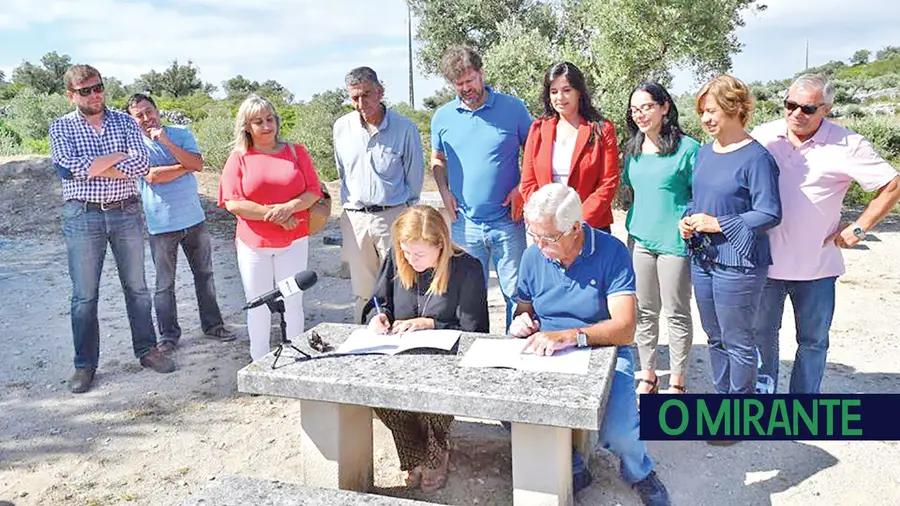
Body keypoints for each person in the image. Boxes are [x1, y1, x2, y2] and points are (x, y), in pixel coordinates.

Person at [510, 183, 669, 505]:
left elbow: (624, 329)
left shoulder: (610, 251)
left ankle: (640, 471)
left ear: (575, 228)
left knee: (619, 432)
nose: (540, 246)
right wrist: (521, 320)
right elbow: (524, 306)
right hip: (545, 349)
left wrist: (571, 337)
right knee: (506, 408)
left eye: (549, 238)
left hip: (603, 349)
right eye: (534, 235)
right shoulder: (533, 255)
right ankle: (571, 461)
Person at [752, 74, 900, 393]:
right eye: (789, 105)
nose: (796, 114)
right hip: (765, 263)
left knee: (813, 342)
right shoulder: (764, 136)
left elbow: (892, 185)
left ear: (826, 108)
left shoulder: (848, 144)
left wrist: (858, 228)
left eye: (806, 108)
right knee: (761, 335)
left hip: (817, 267)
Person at [49, 64, 175, 393]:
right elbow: (69, 169)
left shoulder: (123, 121)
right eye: (85, 90)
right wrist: (117, 156)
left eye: (98, 87)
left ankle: (147, 351)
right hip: (83, 216)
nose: (95, 94)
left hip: (125, 213)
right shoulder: (60, 127)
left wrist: (96, 165)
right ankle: (85, 366)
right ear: (71, 94)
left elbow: (142, 164)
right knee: (84, 296)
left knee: (137, 287)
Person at [363, 205, 489, 493]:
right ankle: (417, 453)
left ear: (440, 245)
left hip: (446, 362)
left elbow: (476, 331)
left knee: (434, 399)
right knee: (376, 393)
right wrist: (377, 318)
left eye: (418, 254)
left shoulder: (467, 268)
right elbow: (377, 302)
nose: (410, 259)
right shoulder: (398, 258)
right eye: (406, 252)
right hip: (398, 356)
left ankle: (434, 455)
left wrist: (431, 324)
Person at [680, 75, 781, 404]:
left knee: (737, 341)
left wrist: (717, 223)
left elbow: (769, 213)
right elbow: (701, 200)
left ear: (737, 108)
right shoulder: (705, 153)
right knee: (715, 338)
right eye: (702, 112)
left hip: (739, 263)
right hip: (704, 260)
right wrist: (689, 219)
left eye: (712, 111)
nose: (706, 119)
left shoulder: (757, 158)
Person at [430, 44, 533, 331]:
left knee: (516, 292)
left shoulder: (513, 108)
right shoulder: (442, 117)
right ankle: (474, 351)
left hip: (508, 222)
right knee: (467, 294)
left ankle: (517, 348)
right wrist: (443, 190)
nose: (466, 88)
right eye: (459, 83)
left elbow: (536, 152)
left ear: (482, 73)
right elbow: (437, 159)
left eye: (471, 80)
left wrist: (523, 187)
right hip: (464, 223)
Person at [126, 93, 235, 354]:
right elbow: (152, 177)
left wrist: (166, 142)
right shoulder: (133, 145)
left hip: (194, 219)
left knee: (205, 276)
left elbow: (198, 162)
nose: (146, 118)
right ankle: (169, 336)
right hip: (161, 225)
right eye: (139, 115)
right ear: (132, 120)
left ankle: (213, 325)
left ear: (157, 110)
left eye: (149, 111)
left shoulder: (181, 133)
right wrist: (184, 165)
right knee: (164, 285)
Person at [218, 94, 324, 361]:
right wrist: (274, 214)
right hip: (254, 245)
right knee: (259, 304)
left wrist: (289, 208)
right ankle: (260, 362)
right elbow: (233, 202)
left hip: (293, 241)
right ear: (247, 127)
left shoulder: (296, 152)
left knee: (293, 302)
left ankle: (297, 358)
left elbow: (313, 192)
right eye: (258, 122)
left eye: (270, 119)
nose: (267, 126)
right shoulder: (238, 158)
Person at [623, 82, 699, 398]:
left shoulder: (689, 148)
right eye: (635, 109)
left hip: (675, 243)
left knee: (677, 313)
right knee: (643, 311)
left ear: (665, 107)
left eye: (647, 107)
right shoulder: (633, 148)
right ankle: (649, 375)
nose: (640, 114)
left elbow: (703, 194)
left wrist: (692, 220)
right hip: (639, 238)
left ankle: (677, 381)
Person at [333, 66, 425, 323]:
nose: (361, 103)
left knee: (401, 282)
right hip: (355, 219)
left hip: (393, 215)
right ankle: (365, 338)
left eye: (367, 94)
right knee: (363, 290)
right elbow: (343, 173)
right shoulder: (341, 128)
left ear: (380, 91)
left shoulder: (405, 128)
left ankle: (402, 337)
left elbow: (414, 178)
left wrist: (404, 213)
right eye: (354, 97)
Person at [520, 61, 620, 233]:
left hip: (591, 226)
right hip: (549, 230)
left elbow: (608, 182)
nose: (560, 97)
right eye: (554, 91)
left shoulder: (602, 130)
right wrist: (545, 219)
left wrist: (577, 221)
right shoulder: (538, 129)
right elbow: (528, 183)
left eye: (567, 90)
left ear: (579, 92)